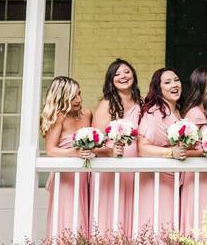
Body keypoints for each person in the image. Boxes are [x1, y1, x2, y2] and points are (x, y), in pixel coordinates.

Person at [91, 58, 142, 236]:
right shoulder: (107, 105)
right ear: (111, 80)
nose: (123, 76)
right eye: (117, 73)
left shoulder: (141, 104)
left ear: (133, 75)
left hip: (135, 171)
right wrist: (111, 151)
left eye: (127, 71)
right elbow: (94, 144)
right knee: (111, 220)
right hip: (110, 171)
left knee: (133, 218)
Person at [41, 76, 93, 238]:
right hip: (66, 178)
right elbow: (51, 150)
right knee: (69, 220)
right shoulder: (58, 118)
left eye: (79, 94)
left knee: (86, 220)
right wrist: (74, 153)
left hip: (86, 175)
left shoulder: (87, 114)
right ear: (62, 97)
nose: (79, 99)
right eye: (73, 97)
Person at [136, 68, 187, 234]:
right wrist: (170, 153)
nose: (174, 84)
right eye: (167, 82)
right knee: (160, 225)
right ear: (158, 89)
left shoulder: (178, 110)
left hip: (175, 177)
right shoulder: (155, 112)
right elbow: (143, 148)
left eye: (176, 80)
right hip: (158, 178)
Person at [180, 67, 207, 233]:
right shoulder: (194, 114)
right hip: (198, 178)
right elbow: (184, 151)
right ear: (202, 86)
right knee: (201, 222)